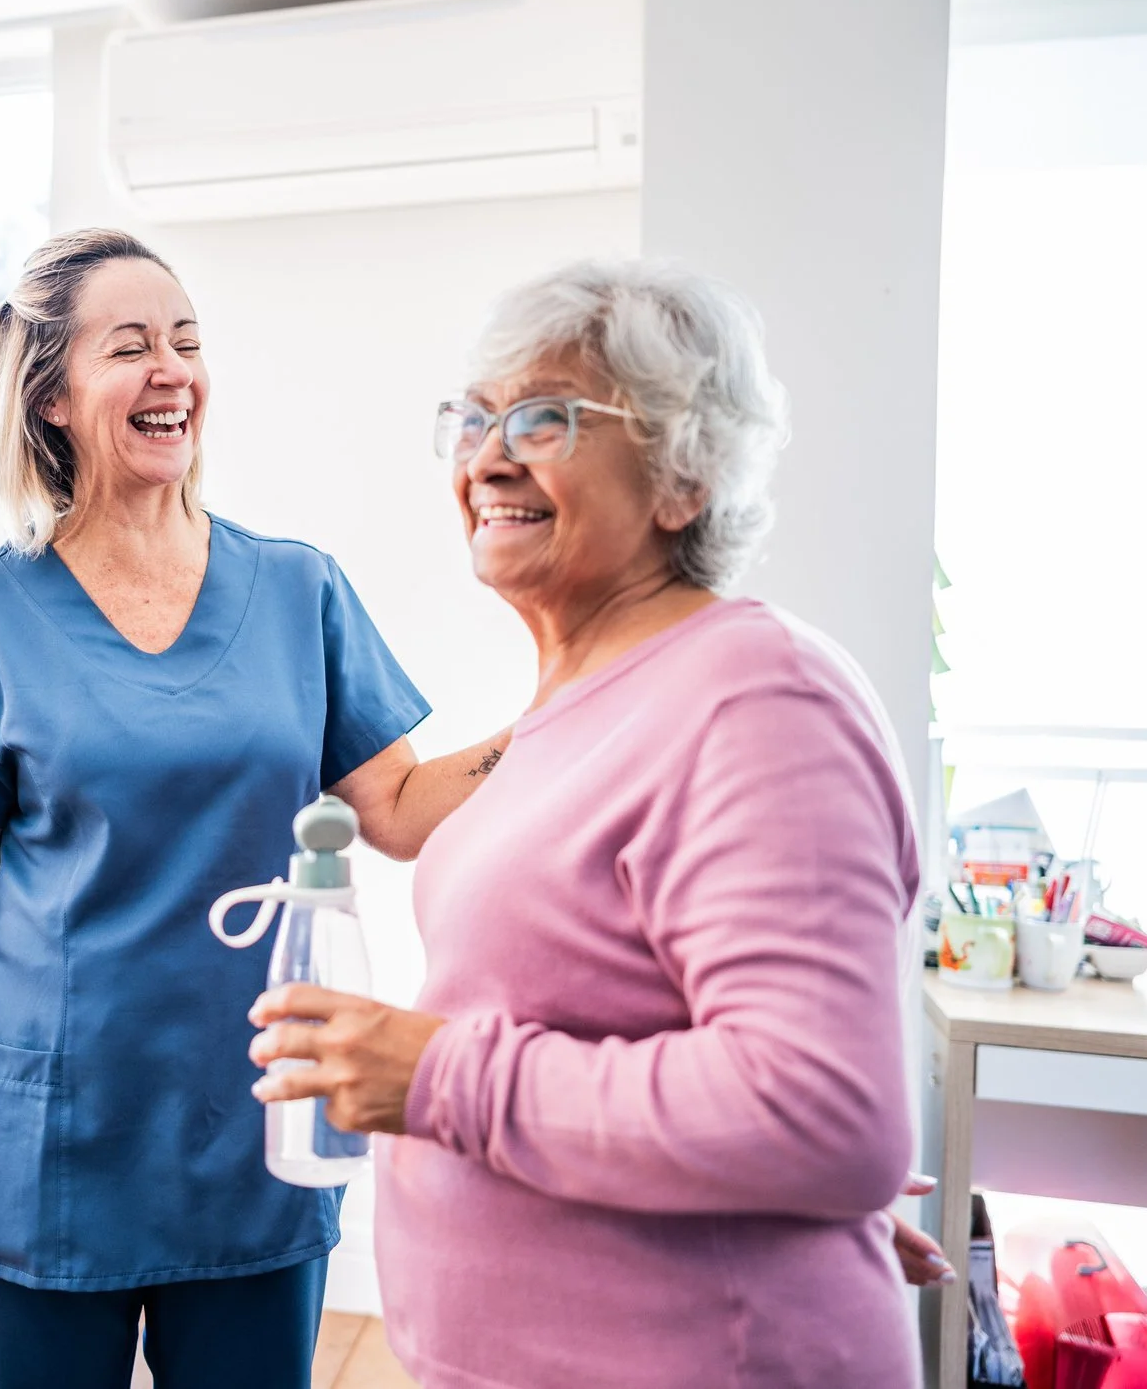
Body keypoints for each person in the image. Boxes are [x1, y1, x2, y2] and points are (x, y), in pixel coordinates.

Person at [250, 259, 933, 1388]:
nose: (488, 456)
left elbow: (825, 1115)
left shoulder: (759, 698)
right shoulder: (580, 702)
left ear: (682, 477)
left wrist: (437, 1077)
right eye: (472, 419)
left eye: (545, 417)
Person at [0, 228, 510, 1389]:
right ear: (52, 396)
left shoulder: (297, 589)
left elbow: (402, 809)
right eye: (131, 347)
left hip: (250, 1125)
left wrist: (577, 705)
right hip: (43, 1143)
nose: (173, 371)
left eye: (188, 341)